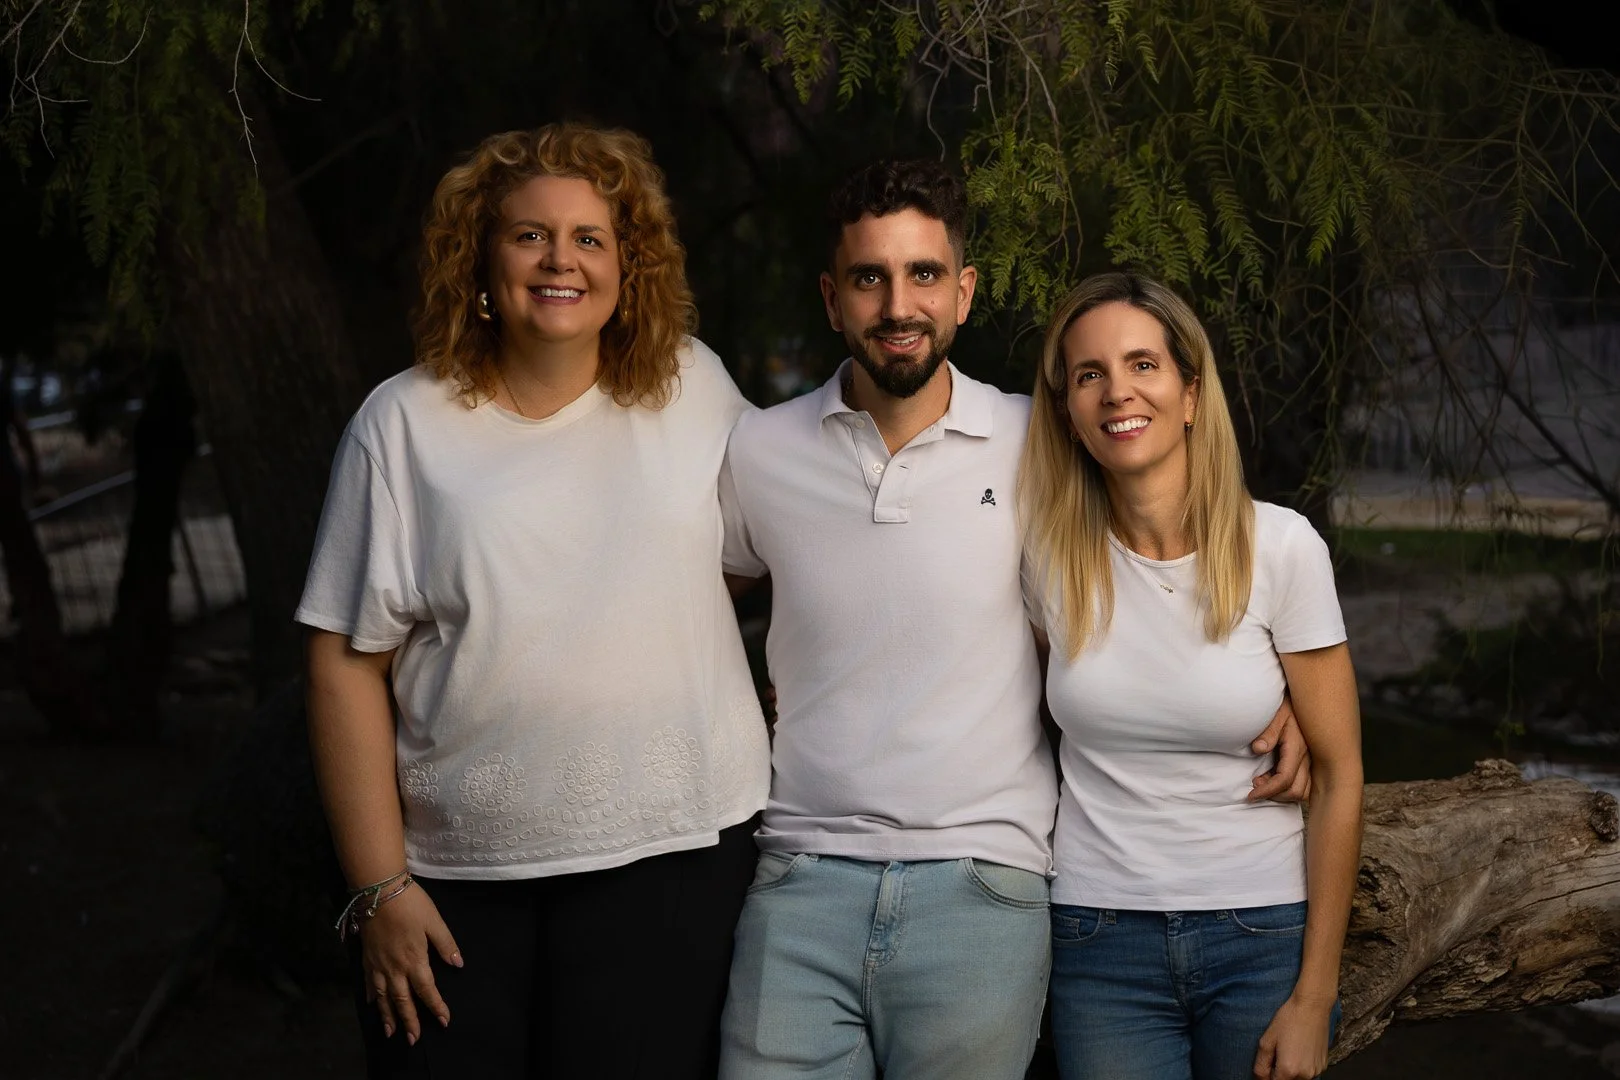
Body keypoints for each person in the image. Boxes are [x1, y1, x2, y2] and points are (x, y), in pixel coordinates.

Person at [716, 160, 1312, 1080]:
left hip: (986, 880)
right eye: (870, 278)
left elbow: (1169, 554)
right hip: (800, 871)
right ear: (834, 300)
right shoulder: (759, 448)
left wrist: (1291, 694)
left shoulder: (1042, 441)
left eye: (923, 275)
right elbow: (696, 598)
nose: (897, 304)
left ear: (964, 293)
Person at [297, 123, 770, 1080]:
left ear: (628, 265)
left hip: (674, 859)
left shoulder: (694, 387)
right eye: (529, 236)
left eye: (590, 238)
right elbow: (345, 664)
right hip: (455, 888)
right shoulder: (402, 426)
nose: (561, 260)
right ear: (479, 258)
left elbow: (767, 551)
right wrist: (380, 889)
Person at [1018, 271, 1364, 1080]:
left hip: (1260, 935)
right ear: (1067, 410)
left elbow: (1343, 776)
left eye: (1143, 365)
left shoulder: (1280, 549)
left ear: (1189, 394)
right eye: (1088, 374)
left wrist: (1316, 996)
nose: (1116, 393)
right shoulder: (1046, 562)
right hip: (1098, 940)